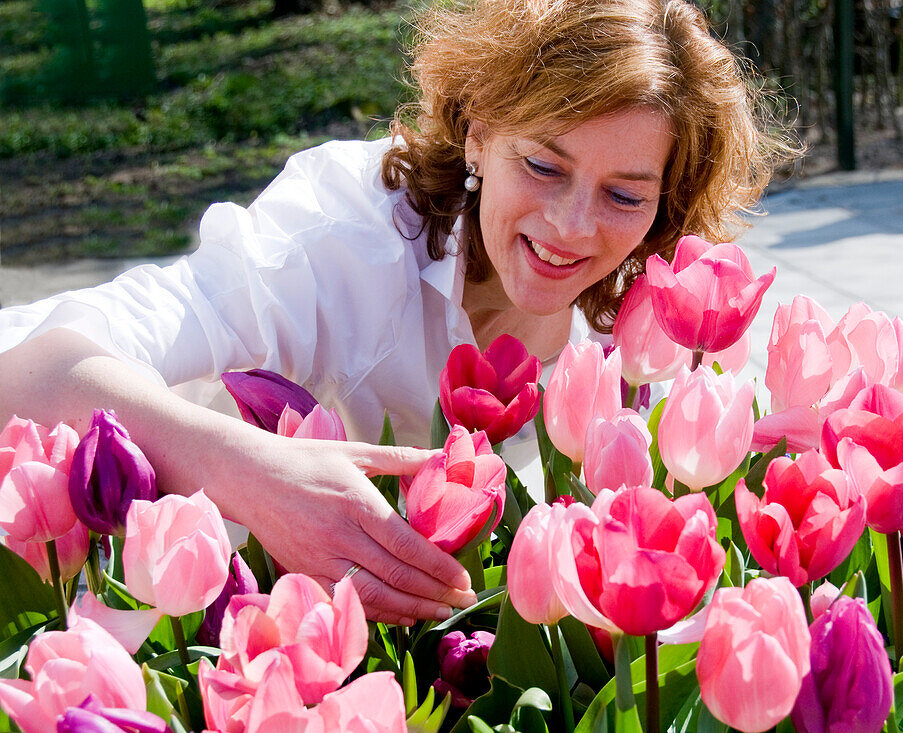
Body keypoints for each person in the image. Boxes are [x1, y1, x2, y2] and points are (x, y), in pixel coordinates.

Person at [0, 0, 794, 624]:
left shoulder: (648, 346)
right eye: (543, 164)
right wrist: (253, 475)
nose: (572, 225)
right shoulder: (344, 235)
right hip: (134, 617)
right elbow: (27, 372)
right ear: (479, 131)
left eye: (624, 194)